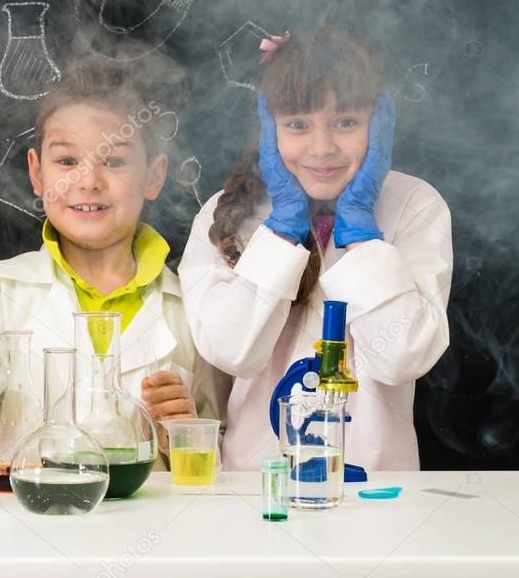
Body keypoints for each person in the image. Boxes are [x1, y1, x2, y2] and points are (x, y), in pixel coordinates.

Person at [0, 60, 228, 459]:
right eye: (67, 161)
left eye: (113, 161)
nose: (88, 180)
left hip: (154, 522)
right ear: (36, 173)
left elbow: (216, 465)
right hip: (21, 518)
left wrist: (184, 436)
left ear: (154, 176)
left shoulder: (194, 307)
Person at [179, 25, 452, 471]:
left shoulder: (416, 206)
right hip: (255, 489)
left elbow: (404, 357)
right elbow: (231, 351)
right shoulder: (225, 213)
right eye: (298, 124)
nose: (323, 148)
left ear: (378, 125)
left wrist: (361, 226)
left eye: (346, 122)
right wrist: (283, 225)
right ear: (268, 128)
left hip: (378, 494)